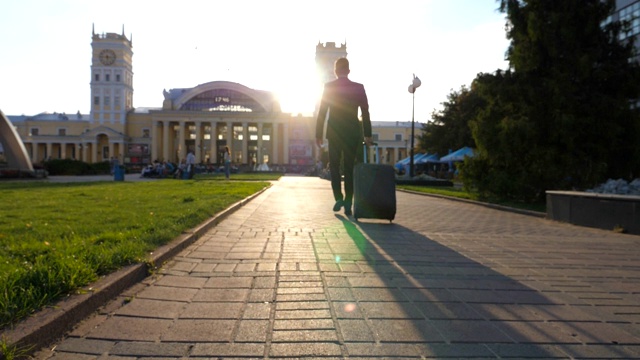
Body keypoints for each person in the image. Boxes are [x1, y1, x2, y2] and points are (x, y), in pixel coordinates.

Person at [315, 57, 373, 216]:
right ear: (348, 70)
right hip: (352, 133)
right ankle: (348, 202)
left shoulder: (329, 87)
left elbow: (322, 112)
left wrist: (318, 134)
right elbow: (365, 112)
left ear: (335, 71)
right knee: (349, 167)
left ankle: (338, 198)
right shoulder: (359, 87)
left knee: (334, 166)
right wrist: (367, 134)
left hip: (334, 133)